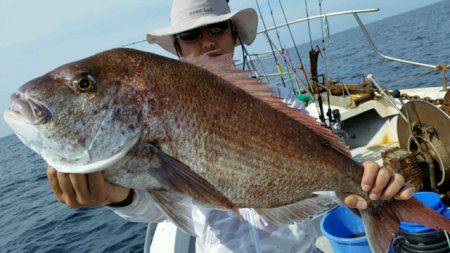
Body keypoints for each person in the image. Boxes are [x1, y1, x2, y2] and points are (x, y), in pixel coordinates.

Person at [47, 0, 415, 252]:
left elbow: (323, 185)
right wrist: (116, 196)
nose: (207, 41)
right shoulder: (156, 114)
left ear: (234, 36)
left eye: (217, 29)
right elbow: (162, 203)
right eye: (192, 35)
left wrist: (354, 194)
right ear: (177, 48)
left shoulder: (284, 105)